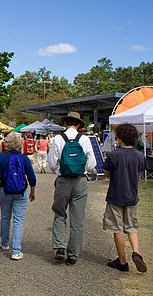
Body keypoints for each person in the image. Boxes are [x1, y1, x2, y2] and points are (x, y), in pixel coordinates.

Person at [48, 112, 96, 265]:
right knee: (78, 219)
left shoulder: (57, 139)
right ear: (79, 124)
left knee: (60, 213)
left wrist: (60, 170)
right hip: (80, 181)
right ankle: (73, 254)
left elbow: (52, 163)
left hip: (63, 180)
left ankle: (60, 246)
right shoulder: (85, 139)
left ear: (66, 122)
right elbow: (91, 164)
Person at [103, 124, 147, 273]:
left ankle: (122, 261)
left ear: (119, 137)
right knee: (132, 227)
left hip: (116, 196)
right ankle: (136, 252)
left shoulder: (114, 155)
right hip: (132, 196)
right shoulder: (140, 156)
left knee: (117, 228)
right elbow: (141, 172)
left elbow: (107, 173)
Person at [0, 132, 36, 260]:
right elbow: (32, 178)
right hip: (21, 192)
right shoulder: (24, 159)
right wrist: (32, 191)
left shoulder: (2, 158)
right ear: (20, 144)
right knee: (18, 220)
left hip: (5, 190)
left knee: (5, 217)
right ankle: (16, 251)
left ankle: (5, 243)